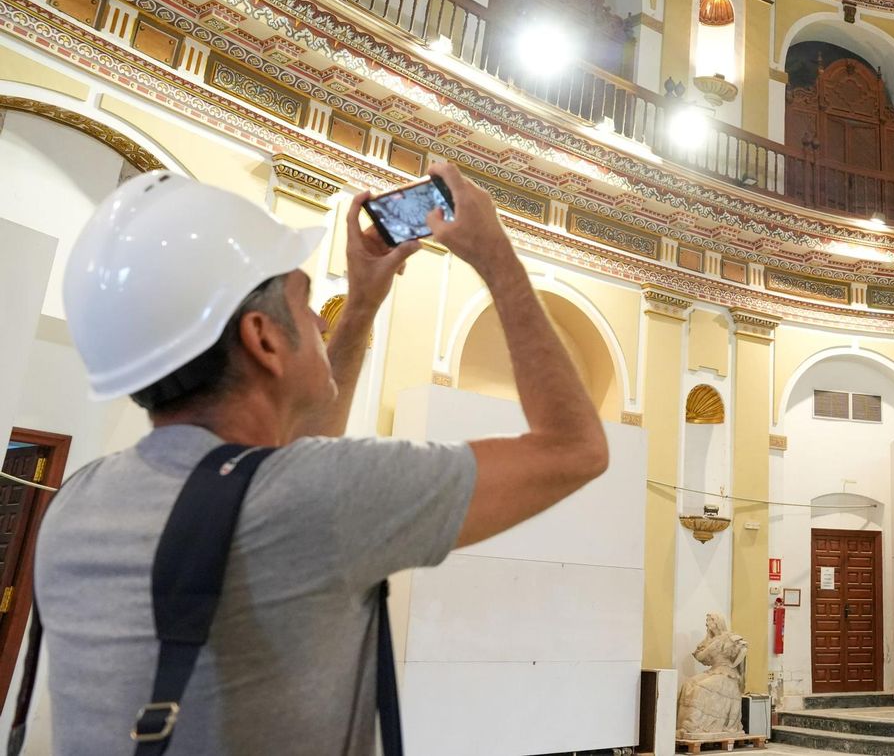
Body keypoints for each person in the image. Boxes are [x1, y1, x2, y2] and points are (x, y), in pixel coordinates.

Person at [35, 161, 607, 754]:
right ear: (263, 338)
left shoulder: (78, 502)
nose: (317, 318)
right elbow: (575, 449)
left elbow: (271, 473)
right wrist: (499, 262)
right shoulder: (322, 497)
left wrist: (360, 307)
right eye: (305, 301)